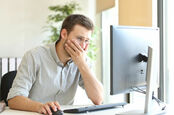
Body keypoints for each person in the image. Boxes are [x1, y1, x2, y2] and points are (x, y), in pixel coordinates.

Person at [7, 14, 103, 115]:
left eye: (87, 41)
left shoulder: (82, 60)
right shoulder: (34, 56)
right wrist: (39, 107)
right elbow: (14, 99)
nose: (83, 46)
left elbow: (98, 99)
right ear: (64, 34)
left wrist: (82, 64)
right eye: (79, 38)